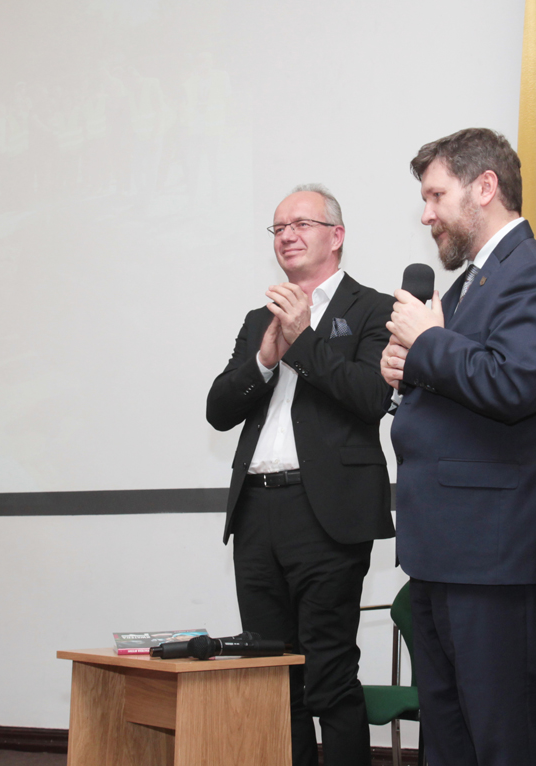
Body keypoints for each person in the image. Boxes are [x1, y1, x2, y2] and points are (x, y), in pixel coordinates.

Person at [380, 128, 536, 766]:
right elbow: (463, 381)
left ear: (485, 188)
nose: (427, 214)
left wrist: (428, 344)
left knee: (501, 739)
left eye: (436, 195)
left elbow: (514, 383)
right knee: (448, 739)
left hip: (499, 548)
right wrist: (409, 368)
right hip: (446, 547)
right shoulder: (471, 283)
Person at [206, 184, 393, 766]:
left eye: (301, 224)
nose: (287, 235)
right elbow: (218, 410)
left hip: (327, 514)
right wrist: (266, 357)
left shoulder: (373, 309)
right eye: (278, 227)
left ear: (336, 236)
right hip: (257, 512)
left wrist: (303, 340)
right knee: (270, 675)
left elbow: (371, 398)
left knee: (329, 674)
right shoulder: (257, 319)